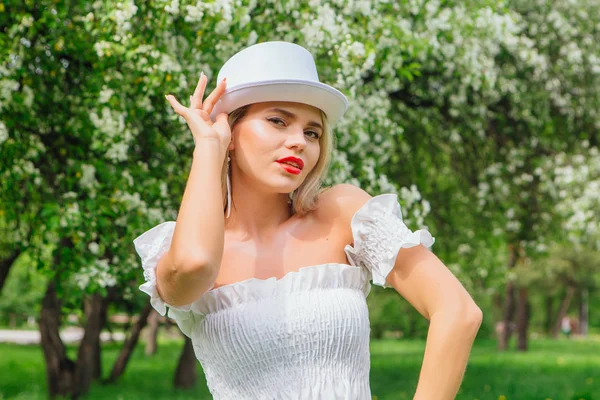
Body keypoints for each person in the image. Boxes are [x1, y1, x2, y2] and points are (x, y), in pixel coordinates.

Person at [133, 41, 482, 399]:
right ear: (231, 132)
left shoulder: (341, 213)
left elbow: (457, 311)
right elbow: (194, 265)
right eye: (277, 121)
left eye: (312, 132)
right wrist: (208, 146)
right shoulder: (179, 248)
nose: (299, 141)